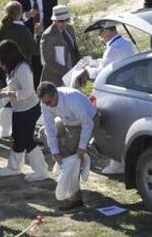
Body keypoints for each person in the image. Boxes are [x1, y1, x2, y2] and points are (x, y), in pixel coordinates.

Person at [83, 21, 135, 174]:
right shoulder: (125, 42)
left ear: (106, 31)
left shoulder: (112, 47)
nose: (99, 36)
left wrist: (87, 68)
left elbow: (100, 72)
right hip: (128, 87)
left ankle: (117, 163)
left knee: (113, 125)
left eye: (100, 32)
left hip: (117, 90)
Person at [37, 82, 98, 210]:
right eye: (44, 103)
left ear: (55, 95)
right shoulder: (45, 103)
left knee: (73, 155)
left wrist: (81, 147)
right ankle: (72, 187)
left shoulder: (72, 99)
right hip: (69, 121)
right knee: (61, 149)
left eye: (49, 102)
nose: (46, 105)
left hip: (90, 119)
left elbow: (87, 124)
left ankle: (76, 199)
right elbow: (49, 128)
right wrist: (55, 152)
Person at [0, 40, 49, 182]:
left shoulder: (23, 68)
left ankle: (41, 170)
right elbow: (14, 86)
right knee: (18, 137)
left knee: (26, 139)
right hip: (19, 109)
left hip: (29, 109)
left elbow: (28, 92)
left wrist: (9, 94)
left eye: (1, 59)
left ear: (8, 57)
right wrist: (4, 91)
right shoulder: (14, 68)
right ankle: (14, 167)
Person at [0, 0, 39, 138]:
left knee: (7, 98)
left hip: (2, 66)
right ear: (20, 13)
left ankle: (4, 130)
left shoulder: (0, 25)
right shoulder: (23, 30)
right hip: (18, 68)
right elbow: (35, 50)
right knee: (17, 99)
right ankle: (13, 130)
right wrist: (37, 35)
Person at [12, 0, 58, 89]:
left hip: (46, 39)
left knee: (45, 67)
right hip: (26, 42)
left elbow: (55, 20)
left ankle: (46, 89)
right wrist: (27, 15)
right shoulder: (18, 0)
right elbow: (12, 20)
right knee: (29, 70)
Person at [40, 5, 80, 87]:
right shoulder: (48, 35)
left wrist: (80, 72)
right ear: (54, 20)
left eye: (66, 20)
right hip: (56, 81)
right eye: (61, 21)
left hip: (72, 76)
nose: (64, 23)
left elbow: (75, 51)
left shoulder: (70, 29)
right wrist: (68, 73)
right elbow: (49, 62)